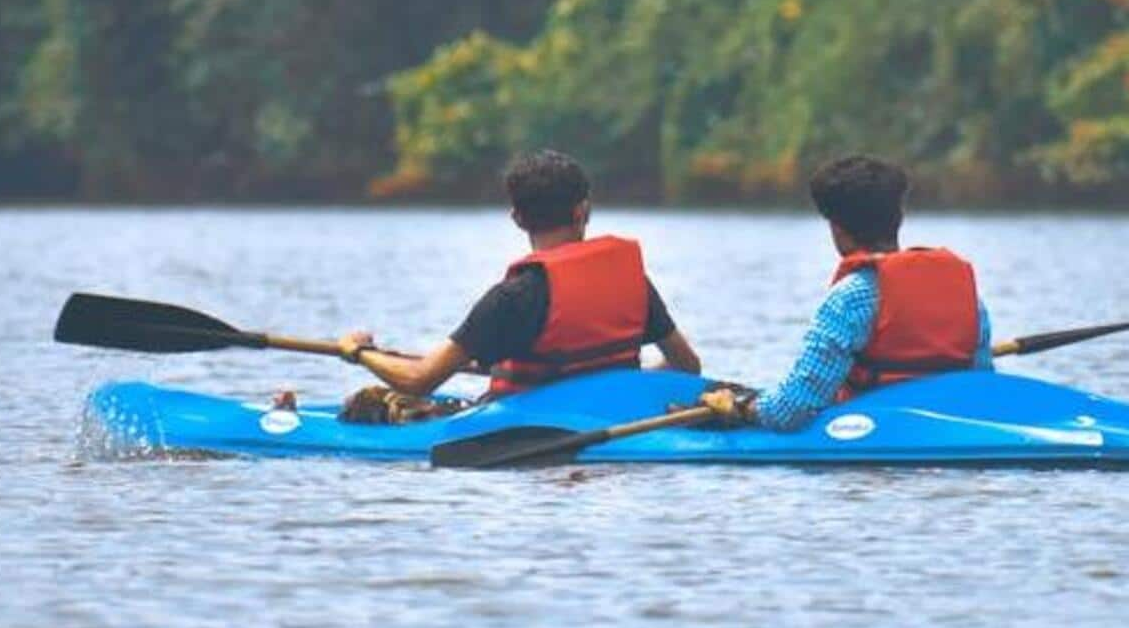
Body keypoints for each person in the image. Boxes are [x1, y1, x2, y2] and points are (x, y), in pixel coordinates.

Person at [337, 149, 701, 423]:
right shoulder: (631, 280)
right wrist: (621, 385)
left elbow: (419, 380)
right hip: (616, 418)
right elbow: (686, 366)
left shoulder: (513, 298)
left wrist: (359, 351)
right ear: (582, 211)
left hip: (527, 426)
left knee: (362, 405)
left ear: (517, 218)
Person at [698, 154, 993, 431]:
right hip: (951, 424)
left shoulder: (851, 298)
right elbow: (981, 383)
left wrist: (741, 405)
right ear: (899, 218)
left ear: (837, 230)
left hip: (872, 430)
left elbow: (790, 411)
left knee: (719, 397)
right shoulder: (968, 299)